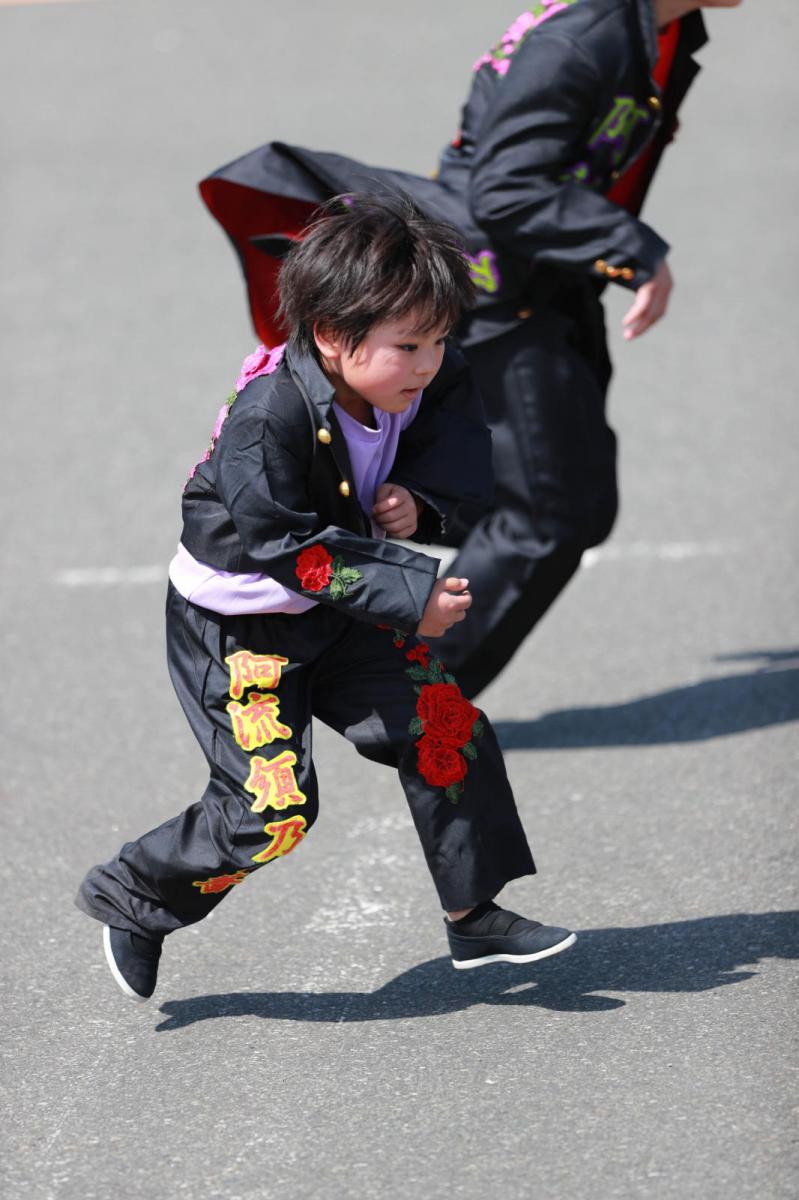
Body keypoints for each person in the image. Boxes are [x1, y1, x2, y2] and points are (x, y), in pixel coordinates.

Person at [75, 196, 576, 1002]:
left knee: (445, 726)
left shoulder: (417, 375)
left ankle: (472, 915)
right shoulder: (266, 416)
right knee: (270, 814)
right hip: (241, 630)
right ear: (333, 340)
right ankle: (135, 898)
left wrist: (419, 499)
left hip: (340, 609)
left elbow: (454, 447)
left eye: (440, 339)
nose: (427, 362)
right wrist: (413, 595)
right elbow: (284, 548)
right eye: (408, 345)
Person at [196, 0, 741, 698]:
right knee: (545, 517)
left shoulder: (643, 25)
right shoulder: (580, 42)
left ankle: (387, 547)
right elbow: (506, 189)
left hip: (544, 279)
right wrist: (630, 249)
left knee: (573, 505)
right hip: (501, 292)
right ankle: (405, 692)